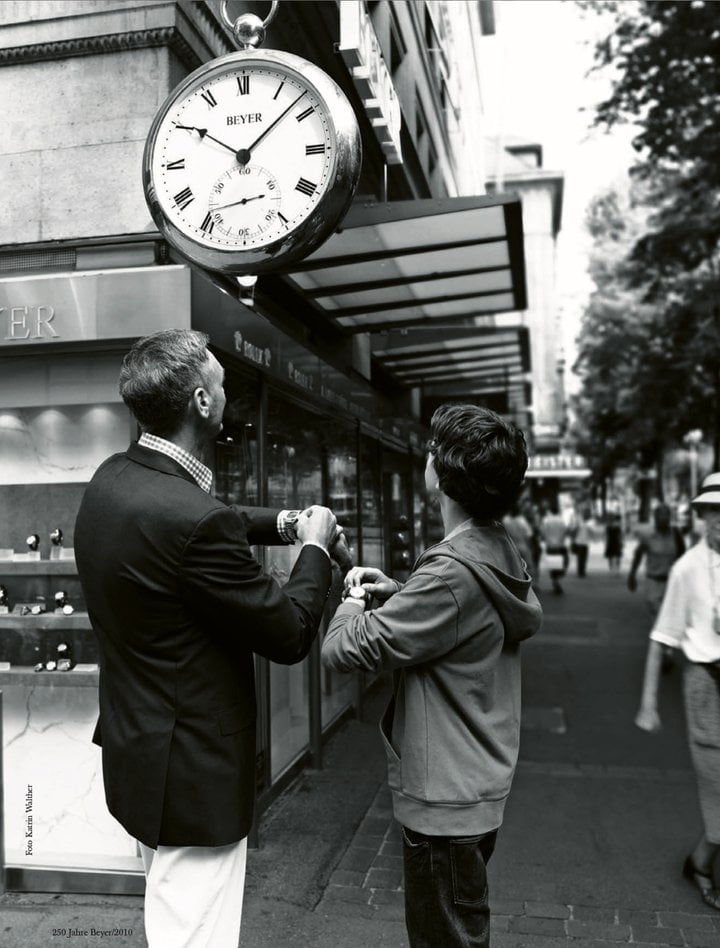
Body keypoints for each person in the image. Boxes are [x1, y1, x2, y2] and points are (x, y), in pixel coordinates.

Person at [74, 329, 344, 948]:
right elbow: (290, 631)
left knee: (170, 921)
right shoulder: (191, 519)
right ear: (200, 401)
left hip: (140, 752)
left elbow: (203, 518)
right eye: (221, 381)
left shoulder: (114, 480)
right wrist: (313, 548)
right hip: (194, 774)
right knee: (194, 936)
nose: (228, 392)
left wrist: (282, 521)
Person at [321, 404, 542, 948]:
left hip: (445, 802)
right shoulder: (494, 548)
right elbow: (462, 623)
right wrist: (401, 596)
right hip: (475, 784)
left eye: (433, 447)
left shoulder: (450, 572)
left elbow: (341, 649)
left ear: (444, 473)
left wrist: (351, 599)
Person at [635, 472, 720, 911]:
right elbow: (661, 637)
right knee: (715, 782)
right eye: (713, 513)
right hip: (705, 684)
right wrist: (649, 701)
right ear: (702, 517)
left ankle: (700, 859)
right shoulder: (688, 568)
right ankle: (704, 865)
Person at [628, 502, 685, 671]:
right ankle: (665, 653)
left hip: (672, 582)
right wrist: (632, 575)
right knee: (659, 617)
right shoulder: (649, 537)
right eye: (660, 515)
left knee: (672, 617)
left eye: (666, 515)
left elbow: (684, 557)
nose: (663, 519)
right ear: (655, 518)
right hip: (653, 582)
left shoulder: (676, 534)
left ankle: (666, 652)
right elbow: (638, 555)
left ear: (670, 518)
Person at [540, 501, 569, 594]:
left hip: (550, 546)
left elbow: (543, 532)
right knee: (561, 563)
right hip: (560, 545)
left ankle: (555, 581)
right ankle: (557, 581)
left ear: (550, 511)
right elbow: (564, 532)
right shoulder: (561, 521)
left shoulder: (546, 520)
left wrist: (547, 540)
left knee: (553, 564)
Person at [571, 506, 592, 578]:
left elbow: (590, 532)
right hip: (580, 542)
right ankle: (581, 571)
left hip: (584, 543)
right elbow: (574, 532)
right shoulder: (580, 523)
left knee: (583, 558)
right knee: (581, 558)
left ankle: (582, 571)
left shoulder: (587, 524)